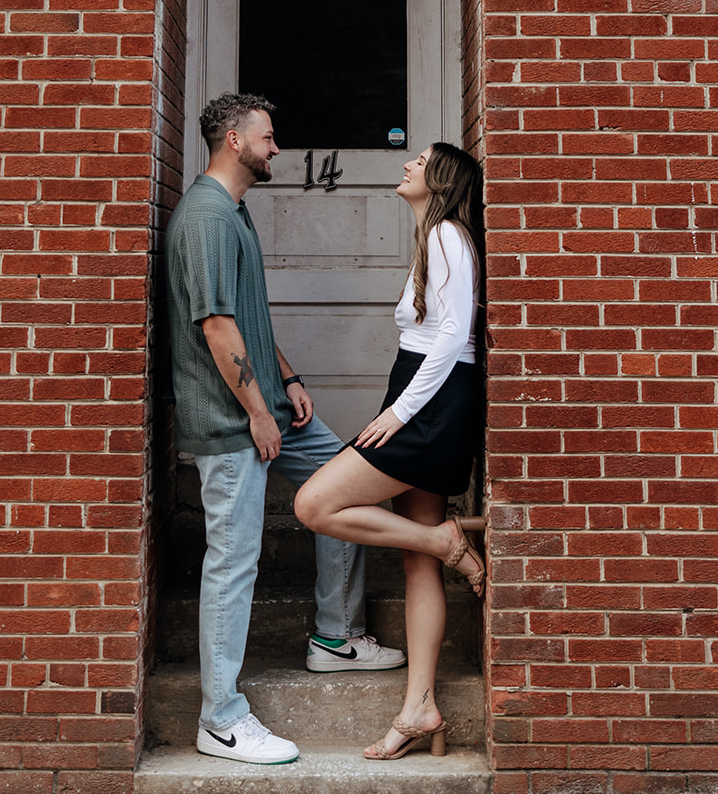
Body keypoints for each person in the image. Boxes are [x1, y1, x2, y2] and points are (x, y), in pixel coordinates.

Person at [165, 92, 405, 767]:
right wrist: (258, 413)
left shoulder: (234, 211)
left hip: (267, 403)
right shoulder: (208, 218)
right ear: (235, 141)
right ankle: (220, 719)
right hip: (231, 420)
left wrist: (289, 379)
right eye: (268, 139)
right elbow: (214, 327)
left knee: (349, 485)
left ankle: (334, 638)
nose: (277, 149)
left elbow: (244, 314)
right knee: (233, 565)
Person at [293, 141, 485, 762]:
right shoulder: (437, 237)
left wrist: (399, 414)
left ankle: (445, 540)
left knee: (314, 504)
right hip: (424, 394)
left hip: (428, 404)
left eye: (419, 159)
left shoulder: (447, 236)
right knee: (415, 559)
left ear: (441, 179)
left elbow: (455, 334)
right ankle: (419, 707)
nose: (407, 164)